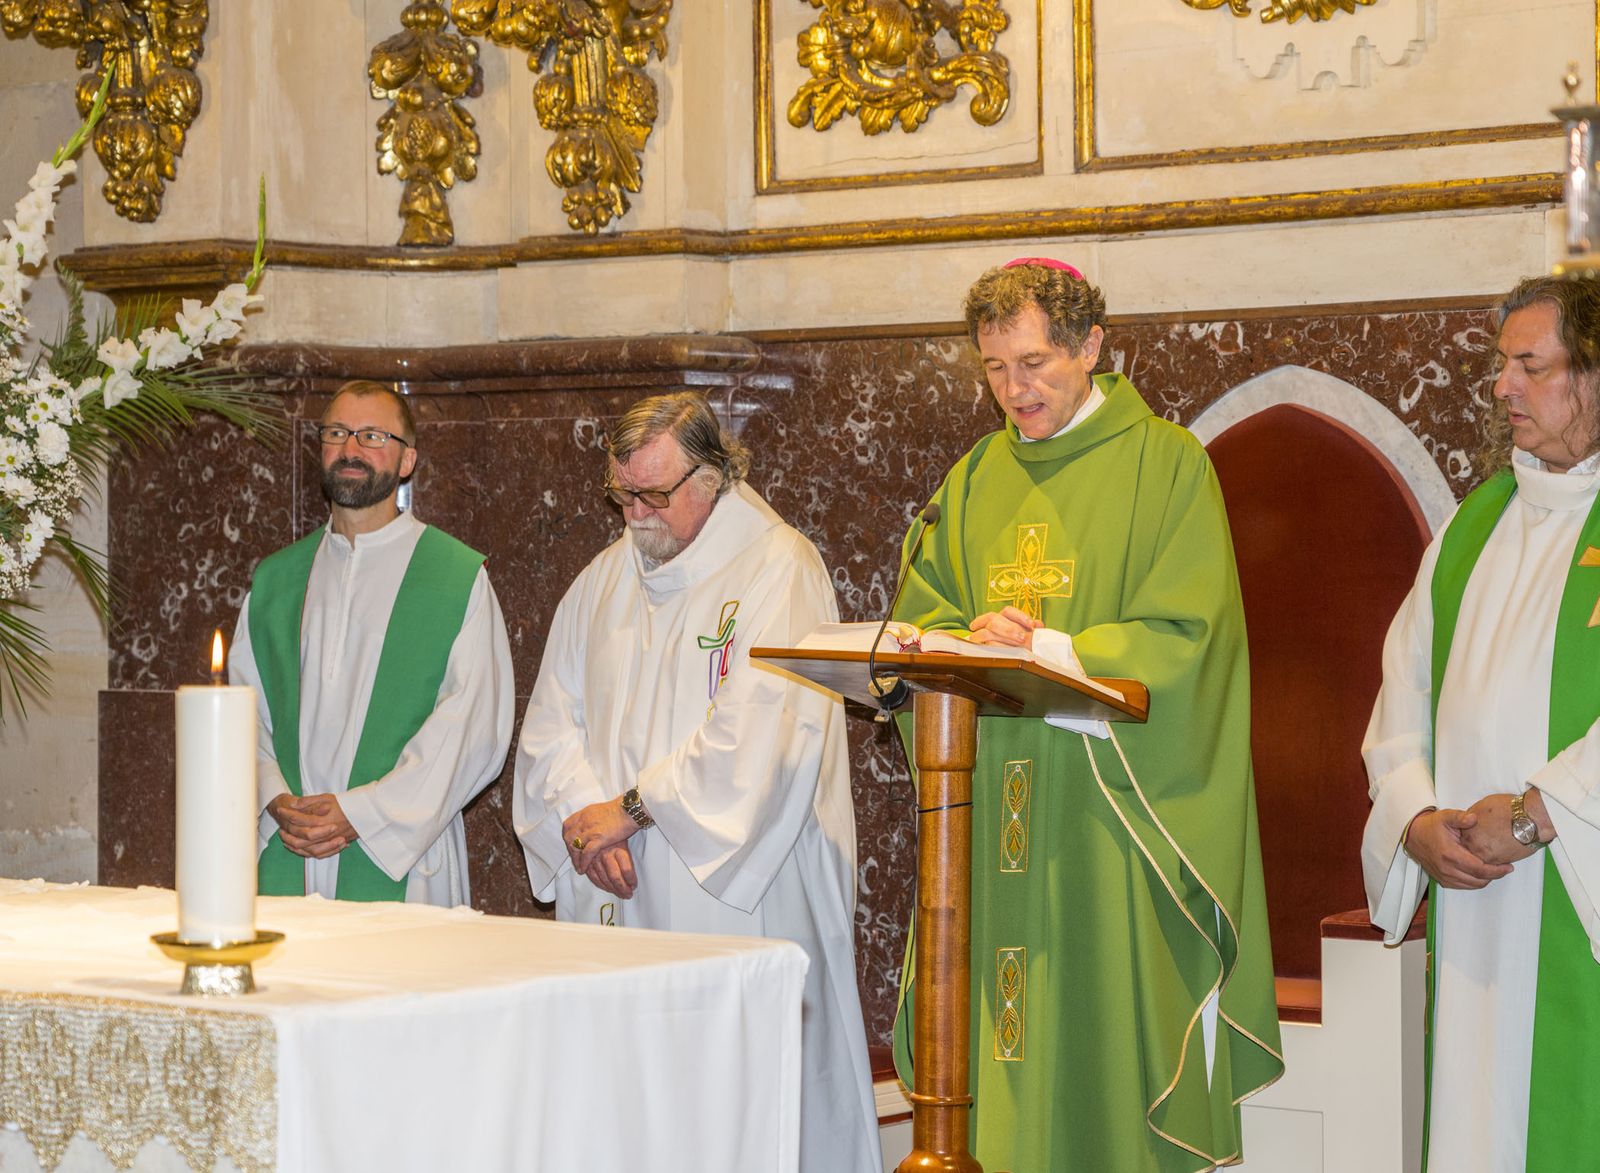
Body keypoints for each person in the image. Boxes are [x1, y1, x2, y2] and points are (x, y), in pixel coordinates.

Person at [890, 258, 1283, 1172]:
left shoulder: (1167, 466)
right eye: (993, 369)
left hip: (1113, 822)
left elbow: (1191, 637)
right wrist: (965, 641)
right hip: (988, 819)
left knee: (1099, 1055)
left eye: (1033, 363)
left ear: (1092, 347)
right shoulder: (975, 476)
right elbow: (923, 610)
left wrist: (1054, 651)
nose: (1012, 390)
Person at [512, 392, 881, 1173]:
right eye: (622, 493)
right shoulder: (604, 579)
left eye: (654, 494)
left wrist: (634, 811)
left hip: (731, 896)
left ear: (712, 477)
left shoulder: (781, 567)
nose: (635, 514)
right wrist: (582, 817)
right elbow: (550, 721)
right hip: (615, 882)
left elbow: (762, 733)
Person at [1361, 274, 1600, 1172]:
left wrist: (1540, 813)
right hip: (1476, 913)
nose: (1503, 387)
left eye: (1530, 366)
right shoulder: (1471, 527)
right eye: (1502, 366)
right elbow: (1400, 699)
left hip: (1576, 892)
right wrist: (1418, 818)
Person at [229, 379, 514, 906]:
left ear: (407, 461)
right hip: (286, 847)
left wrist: (363, 814)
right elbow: (242, 711)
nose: (352, 449)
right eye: (337, 433)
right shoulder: (276, 581)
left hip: (402, 858)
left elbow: (475, 728)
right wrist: (272, 796)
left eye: (373, 436)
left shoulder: (454, 578)